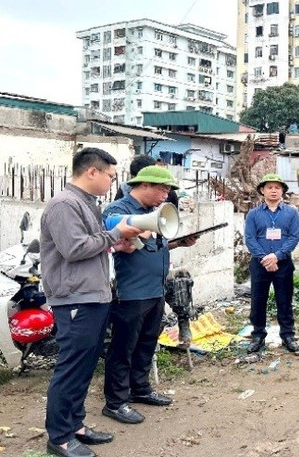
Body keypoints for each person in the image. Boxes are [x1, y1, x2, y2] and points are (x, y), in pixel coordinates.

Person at [40, 147, 143, 457]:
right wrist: (114, 235)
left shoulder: (87, 204)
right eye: (110, 176)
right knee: (71, 368)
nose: (112, 182)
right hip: (74, 298)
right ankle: (59, 436)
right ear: (92, 172)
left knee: (85, 366)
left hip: (94, 296)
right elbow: (73, 248)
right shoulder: (64, 205)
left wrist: (116, 246)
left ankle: (76, 426)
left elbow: (91, 246)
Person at [101, 164, 196, 426]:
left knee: (146, 343)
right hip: (131, 292)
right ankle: (116, 402)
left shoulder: (155, 213)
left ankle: (140, 389)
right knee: (123, 348)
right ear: (144, 185)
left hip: (155, 290)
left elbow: (153, 245)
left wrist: (177, 242)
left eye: (168, 190)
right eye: (162, 189)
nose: (166, 194)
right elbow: (117, 238)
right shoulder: (118, 210)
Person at [244, 174, 299, 354]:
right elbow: (250, 238)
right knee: (258, 300)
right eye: (270, 187)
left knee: (284, 300)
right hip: (259, 263)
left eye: (277, 187)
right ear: (262, 190)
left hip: (283, 263)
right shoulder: (253, 214)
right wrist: (265, 258)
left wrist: (276, 256)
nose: (274, 191)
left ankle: (287, 335)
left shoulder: (292, 213)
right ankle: (258, 334)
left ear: (283, 190)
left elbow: (294, 237)